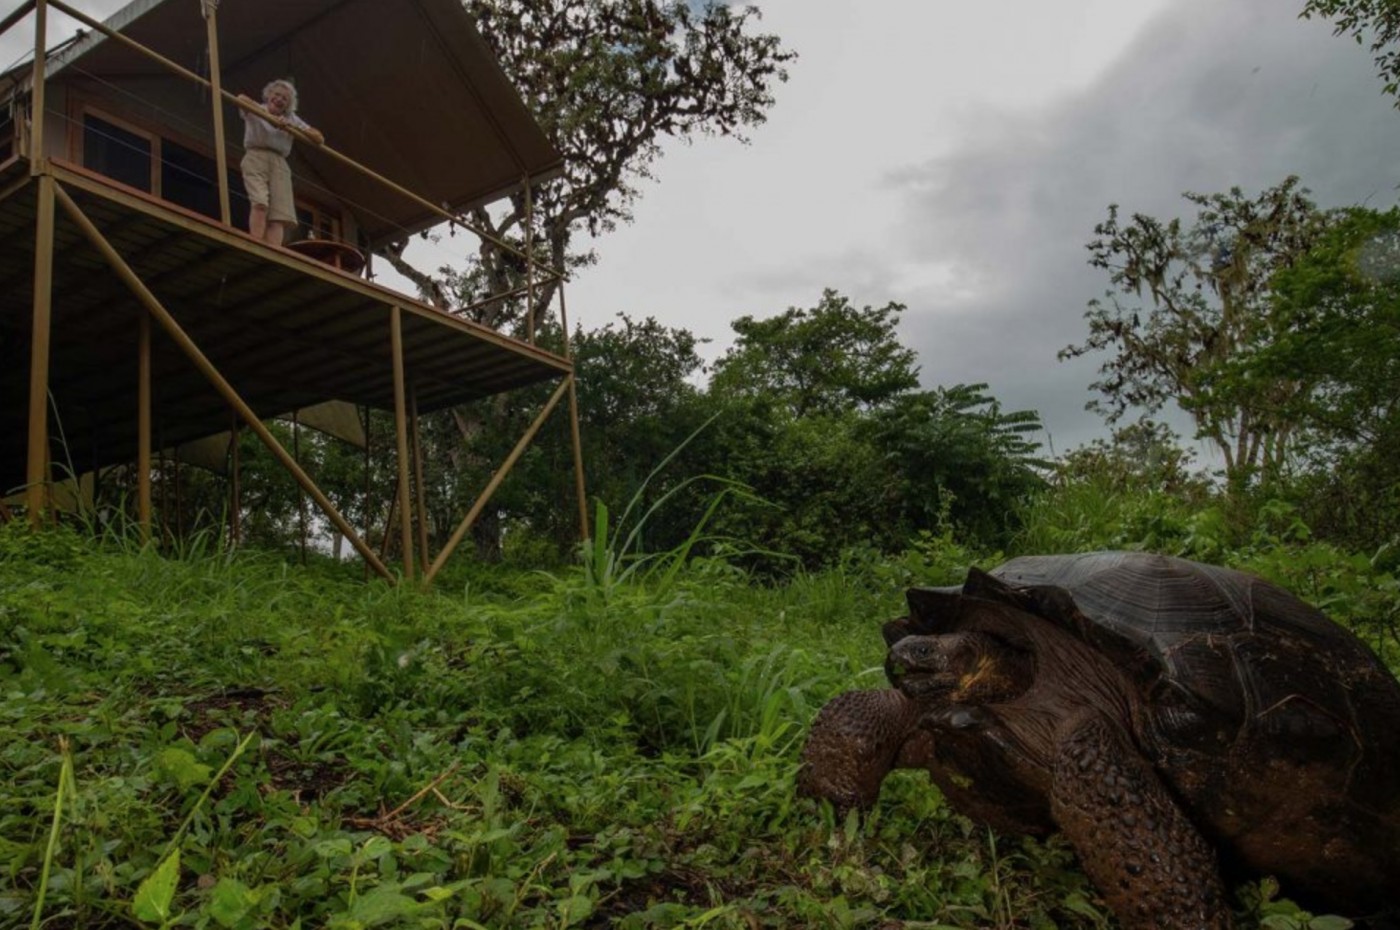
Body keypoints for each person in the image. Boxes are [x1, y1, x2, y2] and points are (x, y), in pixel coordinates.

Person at [237, 79, 323, 246]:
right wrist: (269, 118)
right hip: (256, 155)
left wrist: (292, 128)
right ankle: (255, 244)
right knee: (260, 203)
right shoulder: (258, 109)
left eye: (284, 98)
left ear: (288, 104)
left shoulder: (291, 118)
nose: (279, 99)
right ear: (268, 96)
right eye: (276, 95)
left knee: (278, 216)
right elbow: (240, 99)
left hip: (279, 162)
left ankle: (273, 251)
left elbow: (319, 138)